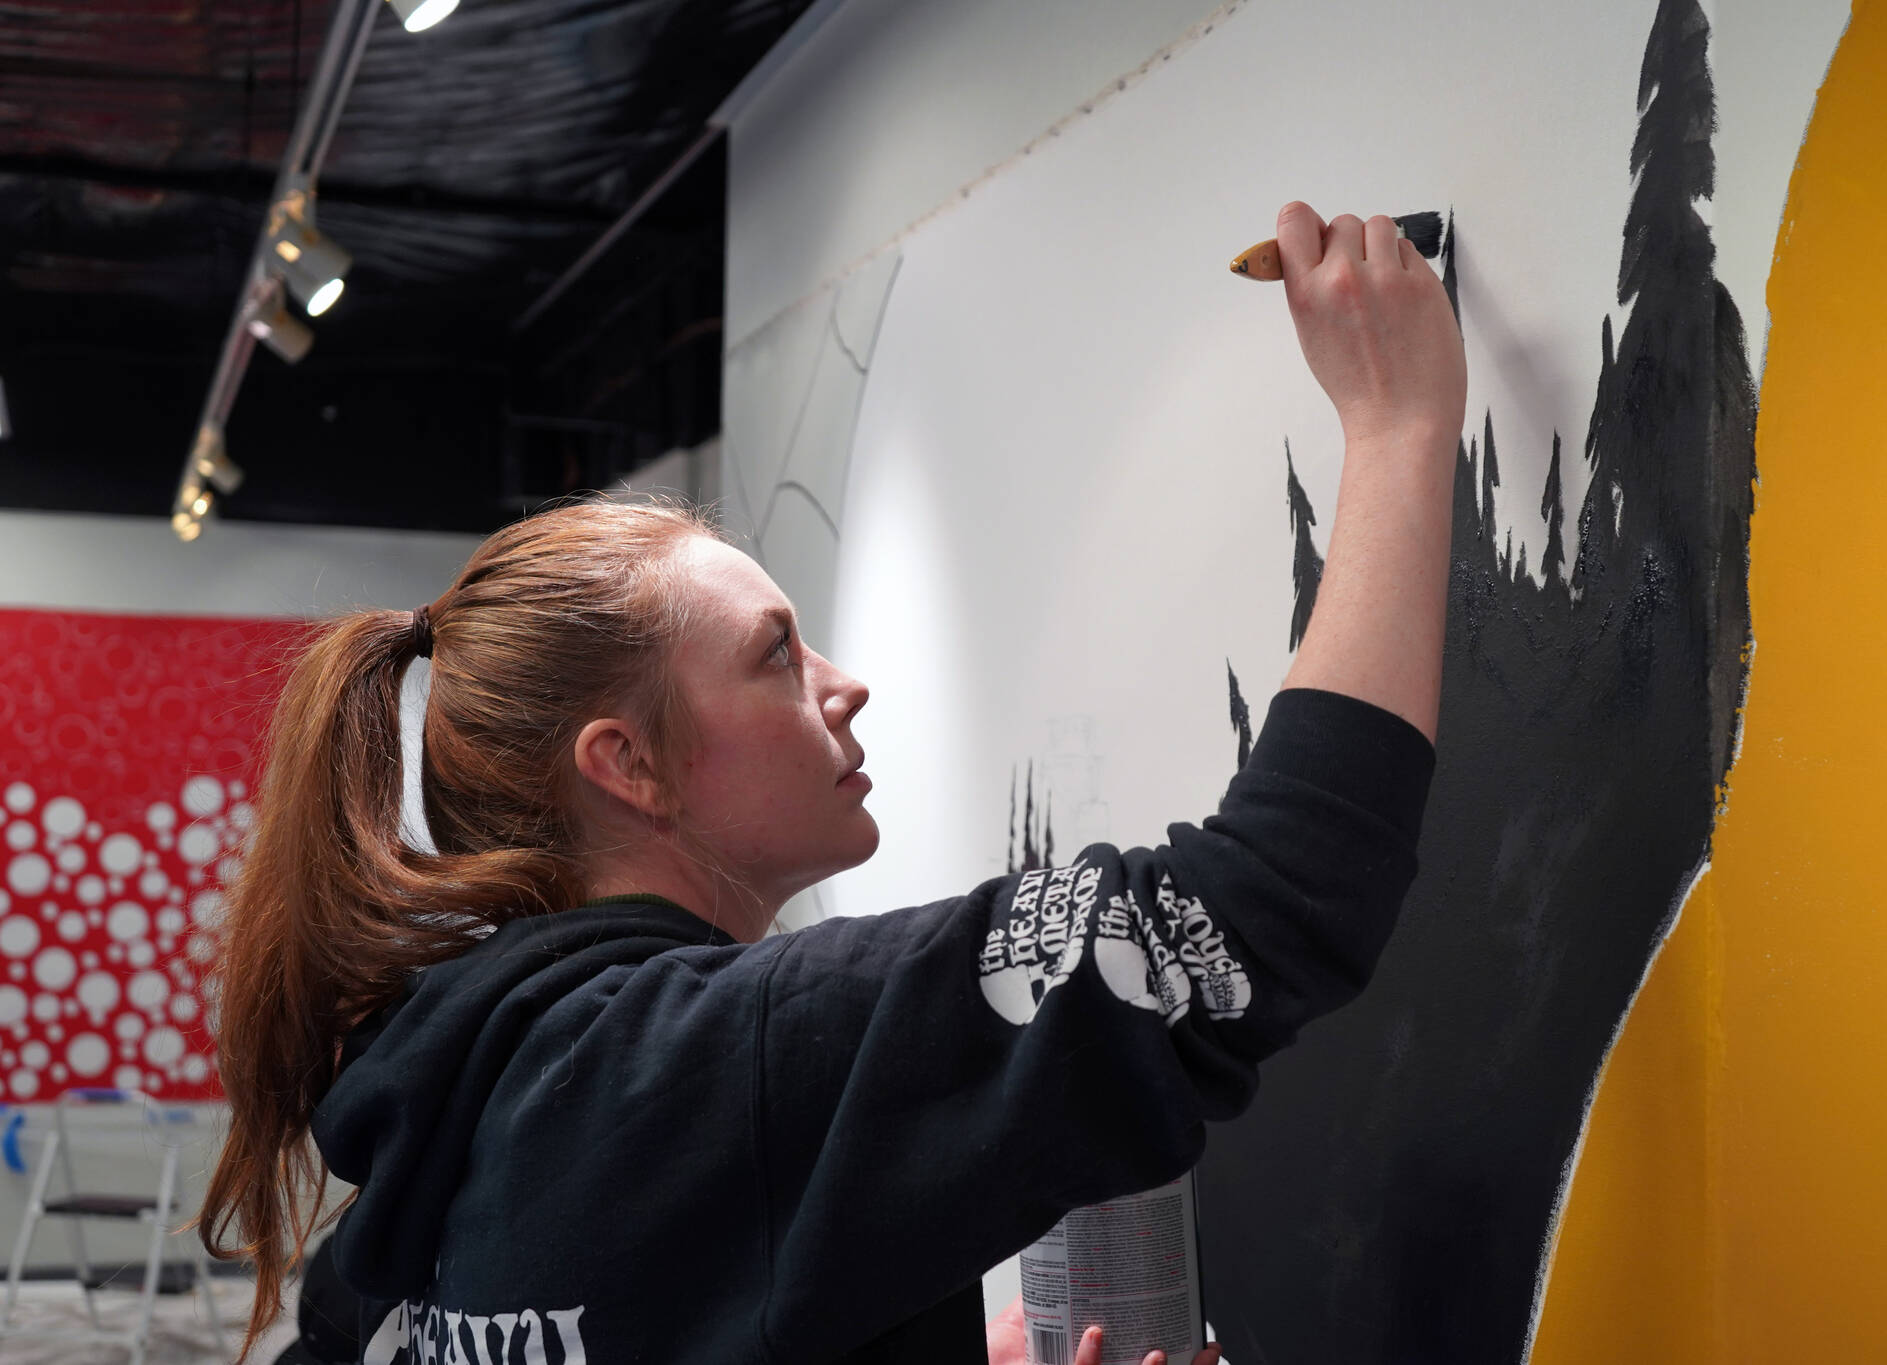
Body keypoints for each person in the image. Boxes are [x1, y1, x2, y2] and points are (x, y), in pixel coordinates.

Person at [198, 204, 1465, 1364]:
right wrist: (1399, 427)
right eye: (773, 654)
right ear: (625, 766)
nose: (841, 682)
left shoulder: (439, 1125)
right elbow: (1266, 902)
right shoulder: (720, 1058)